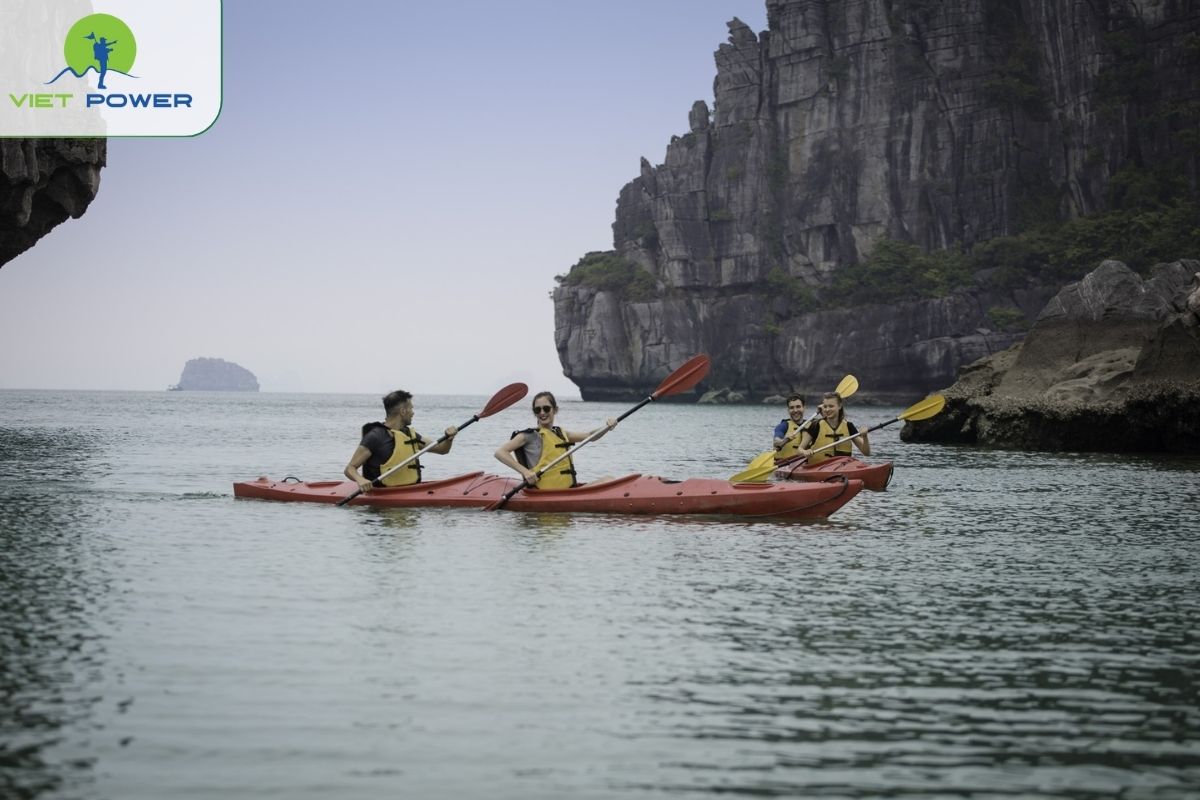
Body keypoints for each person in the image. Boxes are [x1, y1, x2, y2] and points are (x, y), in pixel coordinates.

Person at [494, 391, 617, 489]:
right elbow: (500, 453)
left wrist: (607, 427)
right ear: (535, 413)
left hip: (568, 491)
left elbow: (589, 436)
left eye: (546, 408)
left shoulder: (561, 434)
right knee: (609, 481)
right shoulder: (528, 436)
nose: (542, 412)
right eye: (538, 410)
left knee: (609, 479)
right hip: (545, 492)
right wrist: (525, 472)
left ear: (555, 410)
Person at [343, 389, 457, 493]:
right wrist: (360, 480)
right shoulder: (375, 436)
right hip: (380, 502)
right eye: (411, 408)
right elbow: (350, 468)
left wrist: (449, 438)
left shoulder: (409, 435)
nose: (413, 412)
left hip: (409, 492)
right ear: (403, 411)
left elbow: (442, 449)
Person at [797, 391, 870, 464]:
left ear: (840, 406)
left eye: (831, 406)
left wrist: (865, 437)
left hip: (843, 467)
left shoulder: (848, 426)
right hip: (818, 467)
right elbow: (799, 450)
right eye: (825, 406)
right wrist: (805, 452)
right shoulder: (816, 425)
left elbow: (866, 453)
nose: (827, 409)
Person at [772, 393, 808, 462]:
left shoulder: (811, 425)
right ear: (788, 410)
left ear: (804, 408)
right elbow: (776, 441)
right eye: (792, 408)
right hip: (783, 464)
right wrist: (785, 440)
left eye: (798, 407)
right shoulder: (783, 426)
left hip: (804, 465)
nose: (795, 410)